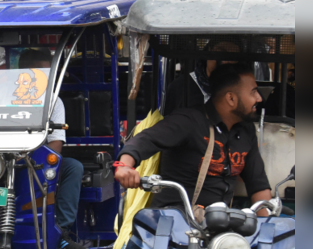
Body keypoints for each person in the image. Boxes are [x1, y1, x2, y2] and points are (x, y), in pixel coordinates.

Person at [115, 64, 272, 215]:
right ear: (231, 99)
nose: (259, 98)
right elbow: (144, 139)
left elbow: (258, 185)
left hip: (221, 227)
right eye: (253, 92)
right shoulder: (189, 121)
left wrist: (267, 228)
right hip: (174, 223)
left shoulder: (246, 131)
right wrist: (124, 166)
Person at [18, 48, 87, 249]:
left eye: (47, 74)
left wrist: (38, 164)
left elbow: (56, 144)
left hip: (35, 161)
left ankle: (61, 232)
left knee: (73, 167)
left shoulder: (53, 101)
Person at [161, 39, 239, 116]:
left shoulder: (240, 90)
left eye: (231, 56)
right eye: (220, 53)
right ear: (209, 51)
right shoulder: (181, 86)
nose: (224, 61)